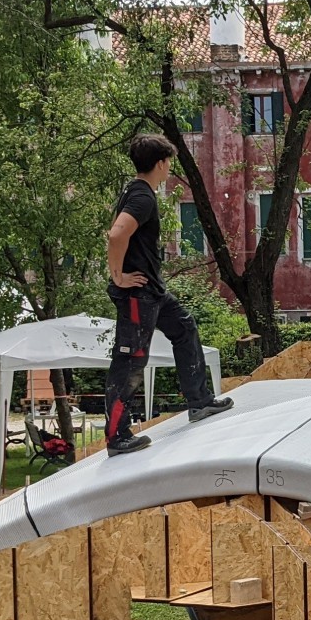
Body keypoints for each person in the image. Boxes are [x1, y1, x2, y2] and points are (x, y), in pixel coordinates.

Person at [103, 134, 232, 456]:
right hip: (138, 294)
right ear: (160, 163)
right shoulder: (142, 197)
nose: (169, 169)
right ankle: (117, 437)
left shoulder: (135, 191)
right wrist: (117, 277)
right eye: (168, 163)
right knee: (131, 360)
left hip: (153, 292)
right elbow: (117, 233)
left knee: (184, 328)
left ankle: (200, 402)